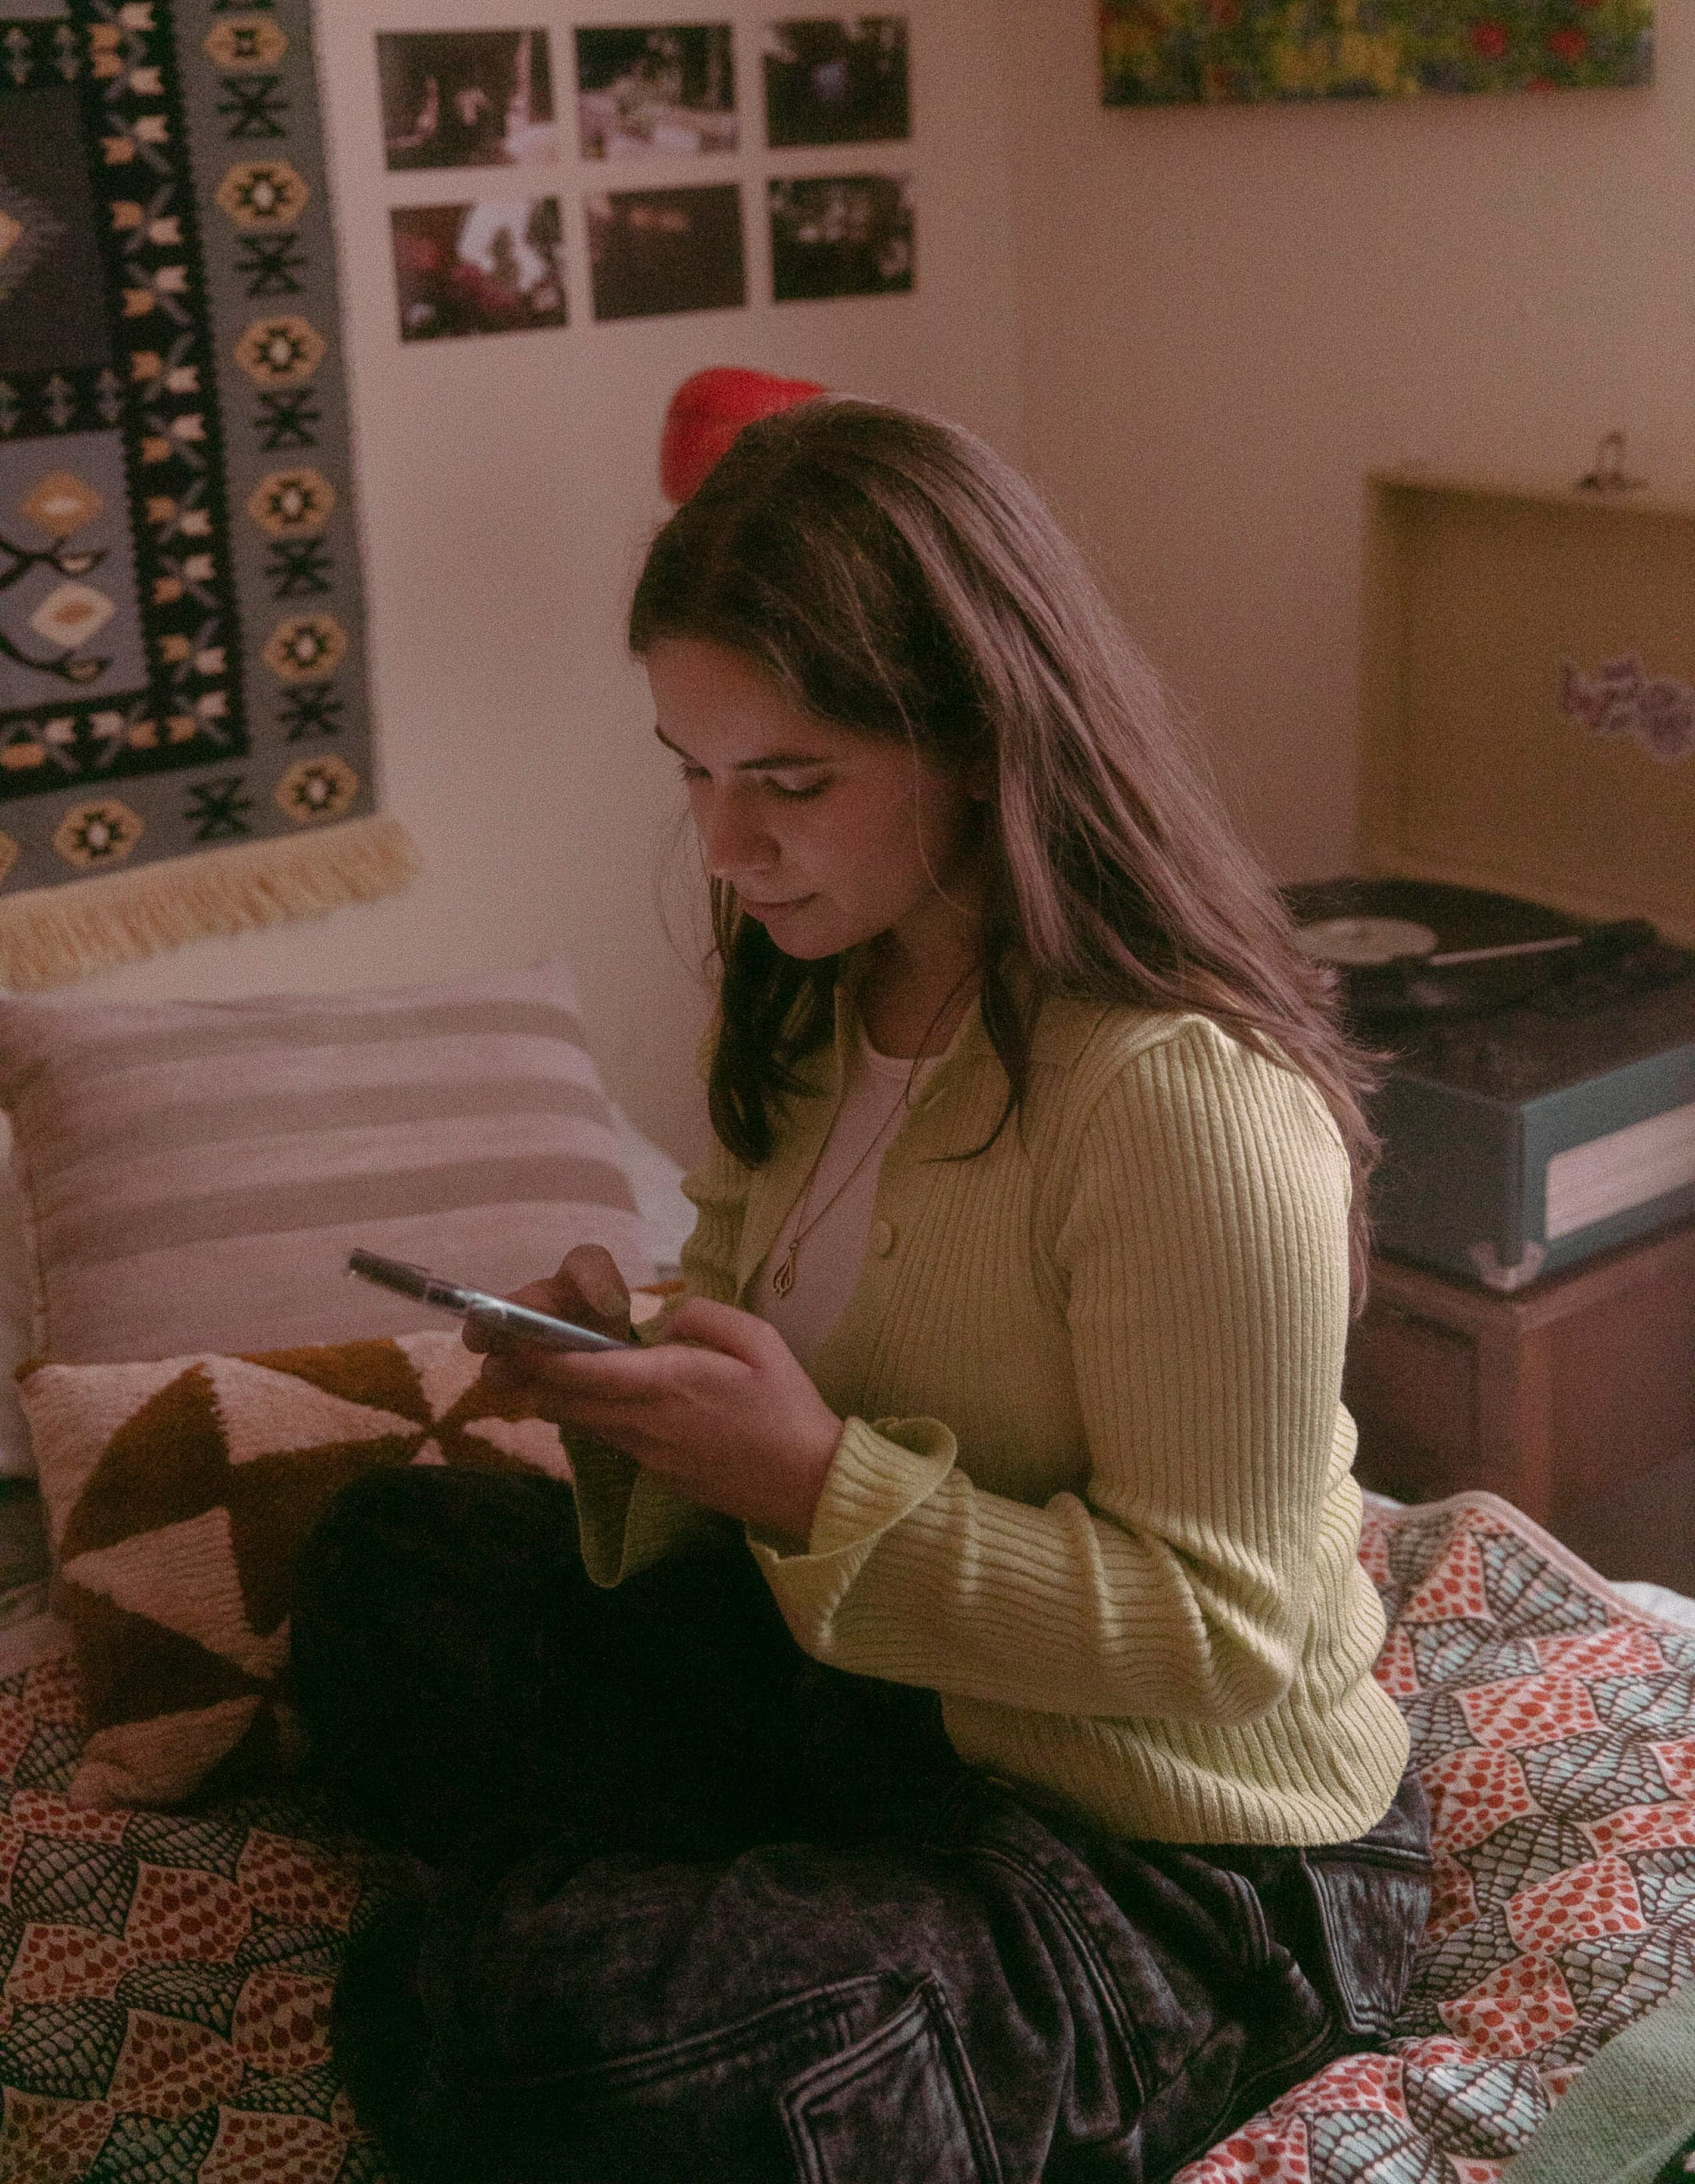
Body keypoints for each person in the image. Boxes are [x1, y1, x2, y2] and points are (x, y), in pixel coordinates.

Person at [292, 399, 1430, 2184]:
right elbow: (736, 1445)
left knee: (571, 2036)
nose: (727, 848)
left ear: (977, 737)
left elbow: (1231, 1641)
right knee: (384, 1568)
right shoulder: (819, 990)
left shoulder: (1179, 1101)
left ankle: (630, 1949)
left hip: (1167, 1843)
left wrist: (811, 1483)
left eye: (791, 782)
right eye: (692, 768)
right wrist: (627, 1397)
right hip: (876, 1706)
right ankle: (691, 1930)